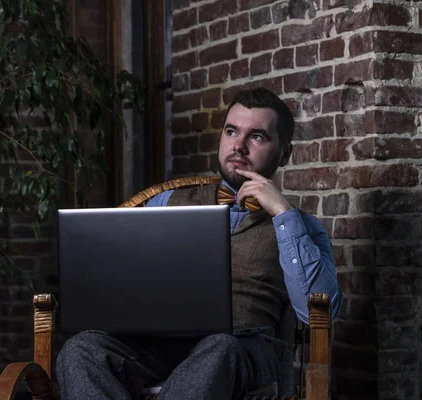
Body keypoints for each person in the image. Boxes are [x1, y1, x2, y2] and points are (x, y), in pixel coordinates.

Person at [55, 87, 342, 399]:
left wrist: (283, 214)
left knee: (220, 347)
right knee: (81, 350)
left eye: (257, 136)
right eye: (231, 131)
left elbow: (322, 311)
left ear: (284, 153)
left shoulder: (301, 226)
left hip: (242, 350)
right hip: (159, 346)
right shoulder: (167, 202)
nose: (239, 146)